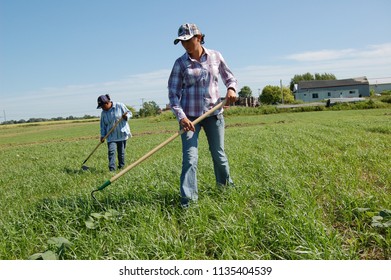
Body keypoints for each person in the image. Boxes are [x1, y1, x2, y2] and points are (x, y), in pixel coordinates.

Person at [168, 23, 238, 207]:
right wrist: (182, 118)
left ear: (198, 37)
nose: (185, 45)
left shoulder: (215, 56)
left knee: (219, 155)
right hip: (189, 119)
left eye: (188, 40)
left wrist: (231, 89)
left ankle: (225, 190)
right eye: (182, 42)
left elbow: (229, 77)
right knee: (190, 159)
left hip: (214, 114)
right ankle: (188, 202)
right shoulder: (180, 63)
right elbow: (173, 94)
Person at [97, 94, 132, 171]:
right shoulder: (103, 113)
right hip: (110, 136)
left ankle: (121, 167)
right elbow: (103, 125)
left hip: (121, 134)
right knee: (111, 151)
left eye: (102, 106)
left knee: (121, 153)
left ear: (107, 103)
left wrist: (126, 117)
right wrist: (102, 135)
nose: (102, 108)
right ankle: (112, 169)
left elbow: (129, 113)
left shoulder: (119, 105)